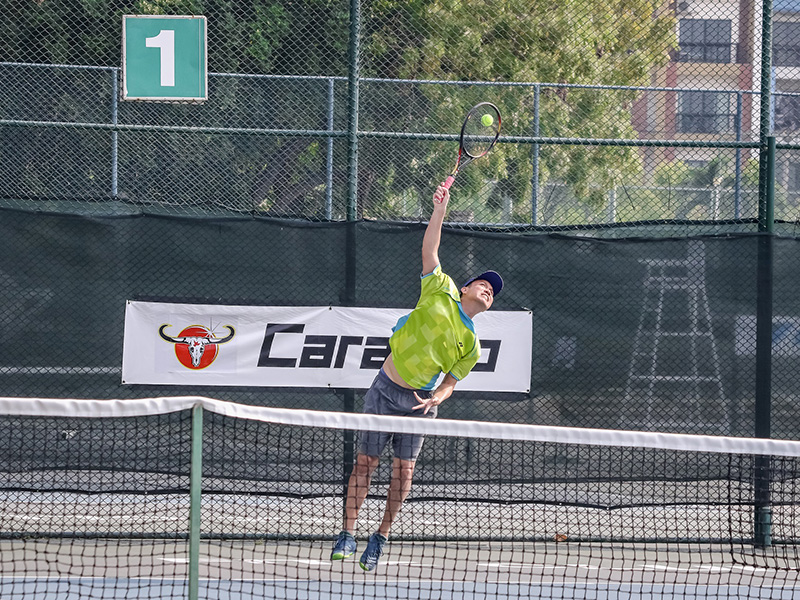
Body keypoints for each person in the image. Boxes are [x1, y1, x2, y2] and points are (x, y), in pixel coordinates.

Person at [330, 182, 504, 572]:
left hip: (419, 404)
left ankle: (381, 537)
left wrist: (438, 398)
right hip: (384, 389)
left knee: (403, 471)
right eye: (483, 283)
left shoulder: (471, 345)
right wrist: (440, 208)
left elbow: (451, 381)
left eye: (493, 291)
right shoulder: (439, 289)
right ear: (465, 287)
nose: (488, 289)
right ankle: (347, 532)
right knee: (365, 464)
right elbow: (430, 249)